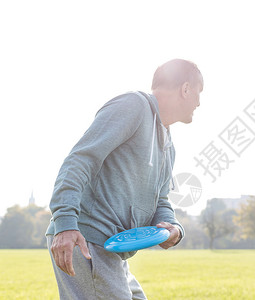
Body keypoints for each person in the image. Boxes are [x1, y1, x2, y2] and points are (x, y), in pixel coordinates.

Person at [45, 59, 203, 299]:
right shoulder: (133, 106)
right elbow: (80, 160)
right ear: (185, 89)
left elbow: (160, 201)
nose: (199, 103)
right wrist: (65, 224)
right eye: (198, 93)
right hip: (87, 240)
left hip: (112, 250)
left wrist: (174, 228)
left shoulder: (167, 145)